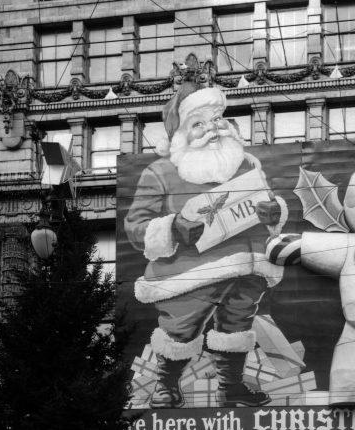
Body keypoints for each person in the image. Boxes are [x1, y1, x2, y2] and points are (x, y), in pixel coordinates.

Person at [123, 81, 288, 408]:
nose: (210, 129)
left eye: (215, 120)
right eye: (198, 123)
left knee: (238, 324)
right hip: (190, 272)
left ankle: (231, 387)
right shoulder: (160, 171)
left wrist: (274, 211)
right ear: (181, 133)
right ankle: (166, 383)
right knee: (180, 328)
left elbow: (266, 204)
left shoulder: (246, 163)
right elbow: (135, 226)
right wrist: (174, 227)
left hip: (249, 266)